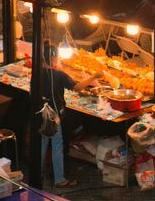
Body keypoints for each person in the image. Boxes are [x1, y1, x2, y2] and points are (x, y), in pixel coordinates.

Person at [38, 41, 106, 188]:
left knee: (42, 144)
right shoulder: (59, 75)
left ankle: (38, 174)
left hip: (40, 112)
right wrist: (94, 76)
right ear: (53, 58)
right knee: (57, 146)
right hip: (53, 115)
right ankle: (59, 180)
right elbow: (78, 88)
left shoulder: (37, 72)